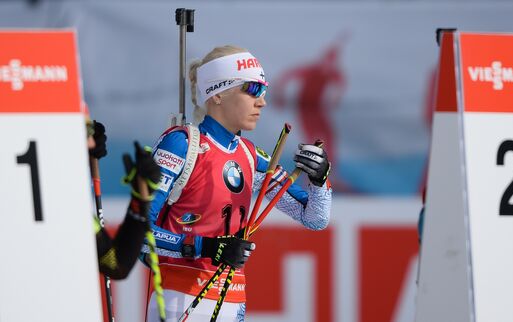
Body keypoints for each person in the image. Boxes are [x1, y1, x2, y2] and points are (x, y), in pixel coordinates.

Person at [141, 45, 332, 322]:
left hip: (232, 303)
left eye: (264, 91)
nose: (262, 101)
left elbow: (315, 218)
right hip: (180, 299)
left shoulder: (250, 155)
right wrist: (204, 247)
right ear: (218, 93)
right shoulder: (183, 144)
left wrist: (320, 179)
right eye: (252, 90)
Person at [87, 118, 161, 279]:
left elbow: (117, 264)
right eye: (85, 133)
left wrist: (139, 199)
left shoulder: (65, 204)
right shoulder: (62, 205)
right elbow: (117, 266)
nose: (93, 143)